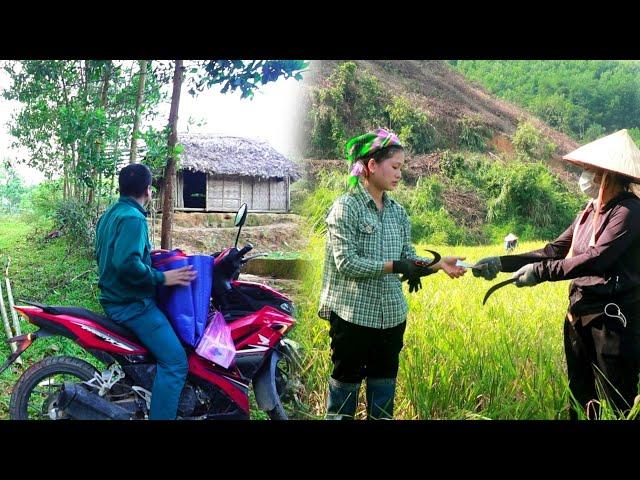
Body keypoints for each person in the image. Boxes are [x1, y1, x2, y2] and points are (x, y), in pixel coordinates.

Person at [474, 129, 640, 419]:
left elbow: (597, 258)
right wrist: (501, 262)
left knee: (617, 401)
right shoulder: (589, 211)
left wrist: (540, 273)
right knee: (581, 397)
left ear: (608, 175)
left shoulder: (628, 211)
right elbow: (553, 250)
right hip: (579, 314)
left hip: (612, 322)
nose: (586, 176)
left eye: (592, 170)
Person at [318, 128, 467, 420]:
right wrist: (395, 266)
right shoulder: (345, 208)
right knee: (342, 398)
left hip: (391, 318)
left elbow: (407, 258)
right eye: (395, 167)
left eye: (401, 168)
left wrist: (437, 264)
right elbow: (346, 263)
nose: (400, 174)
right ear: (372, 165)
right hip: (353, 318)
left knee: (383, 399)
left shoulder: (398, 212)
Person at [95, 163, 197, 420]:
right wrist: (164, 277)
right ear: (148, 191)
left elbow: (117, 255)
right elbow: (126, 263)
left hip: (115, 298)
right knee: (175, 363)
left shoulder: (110, 215)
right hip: (132, 305)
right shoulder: (134, 218)